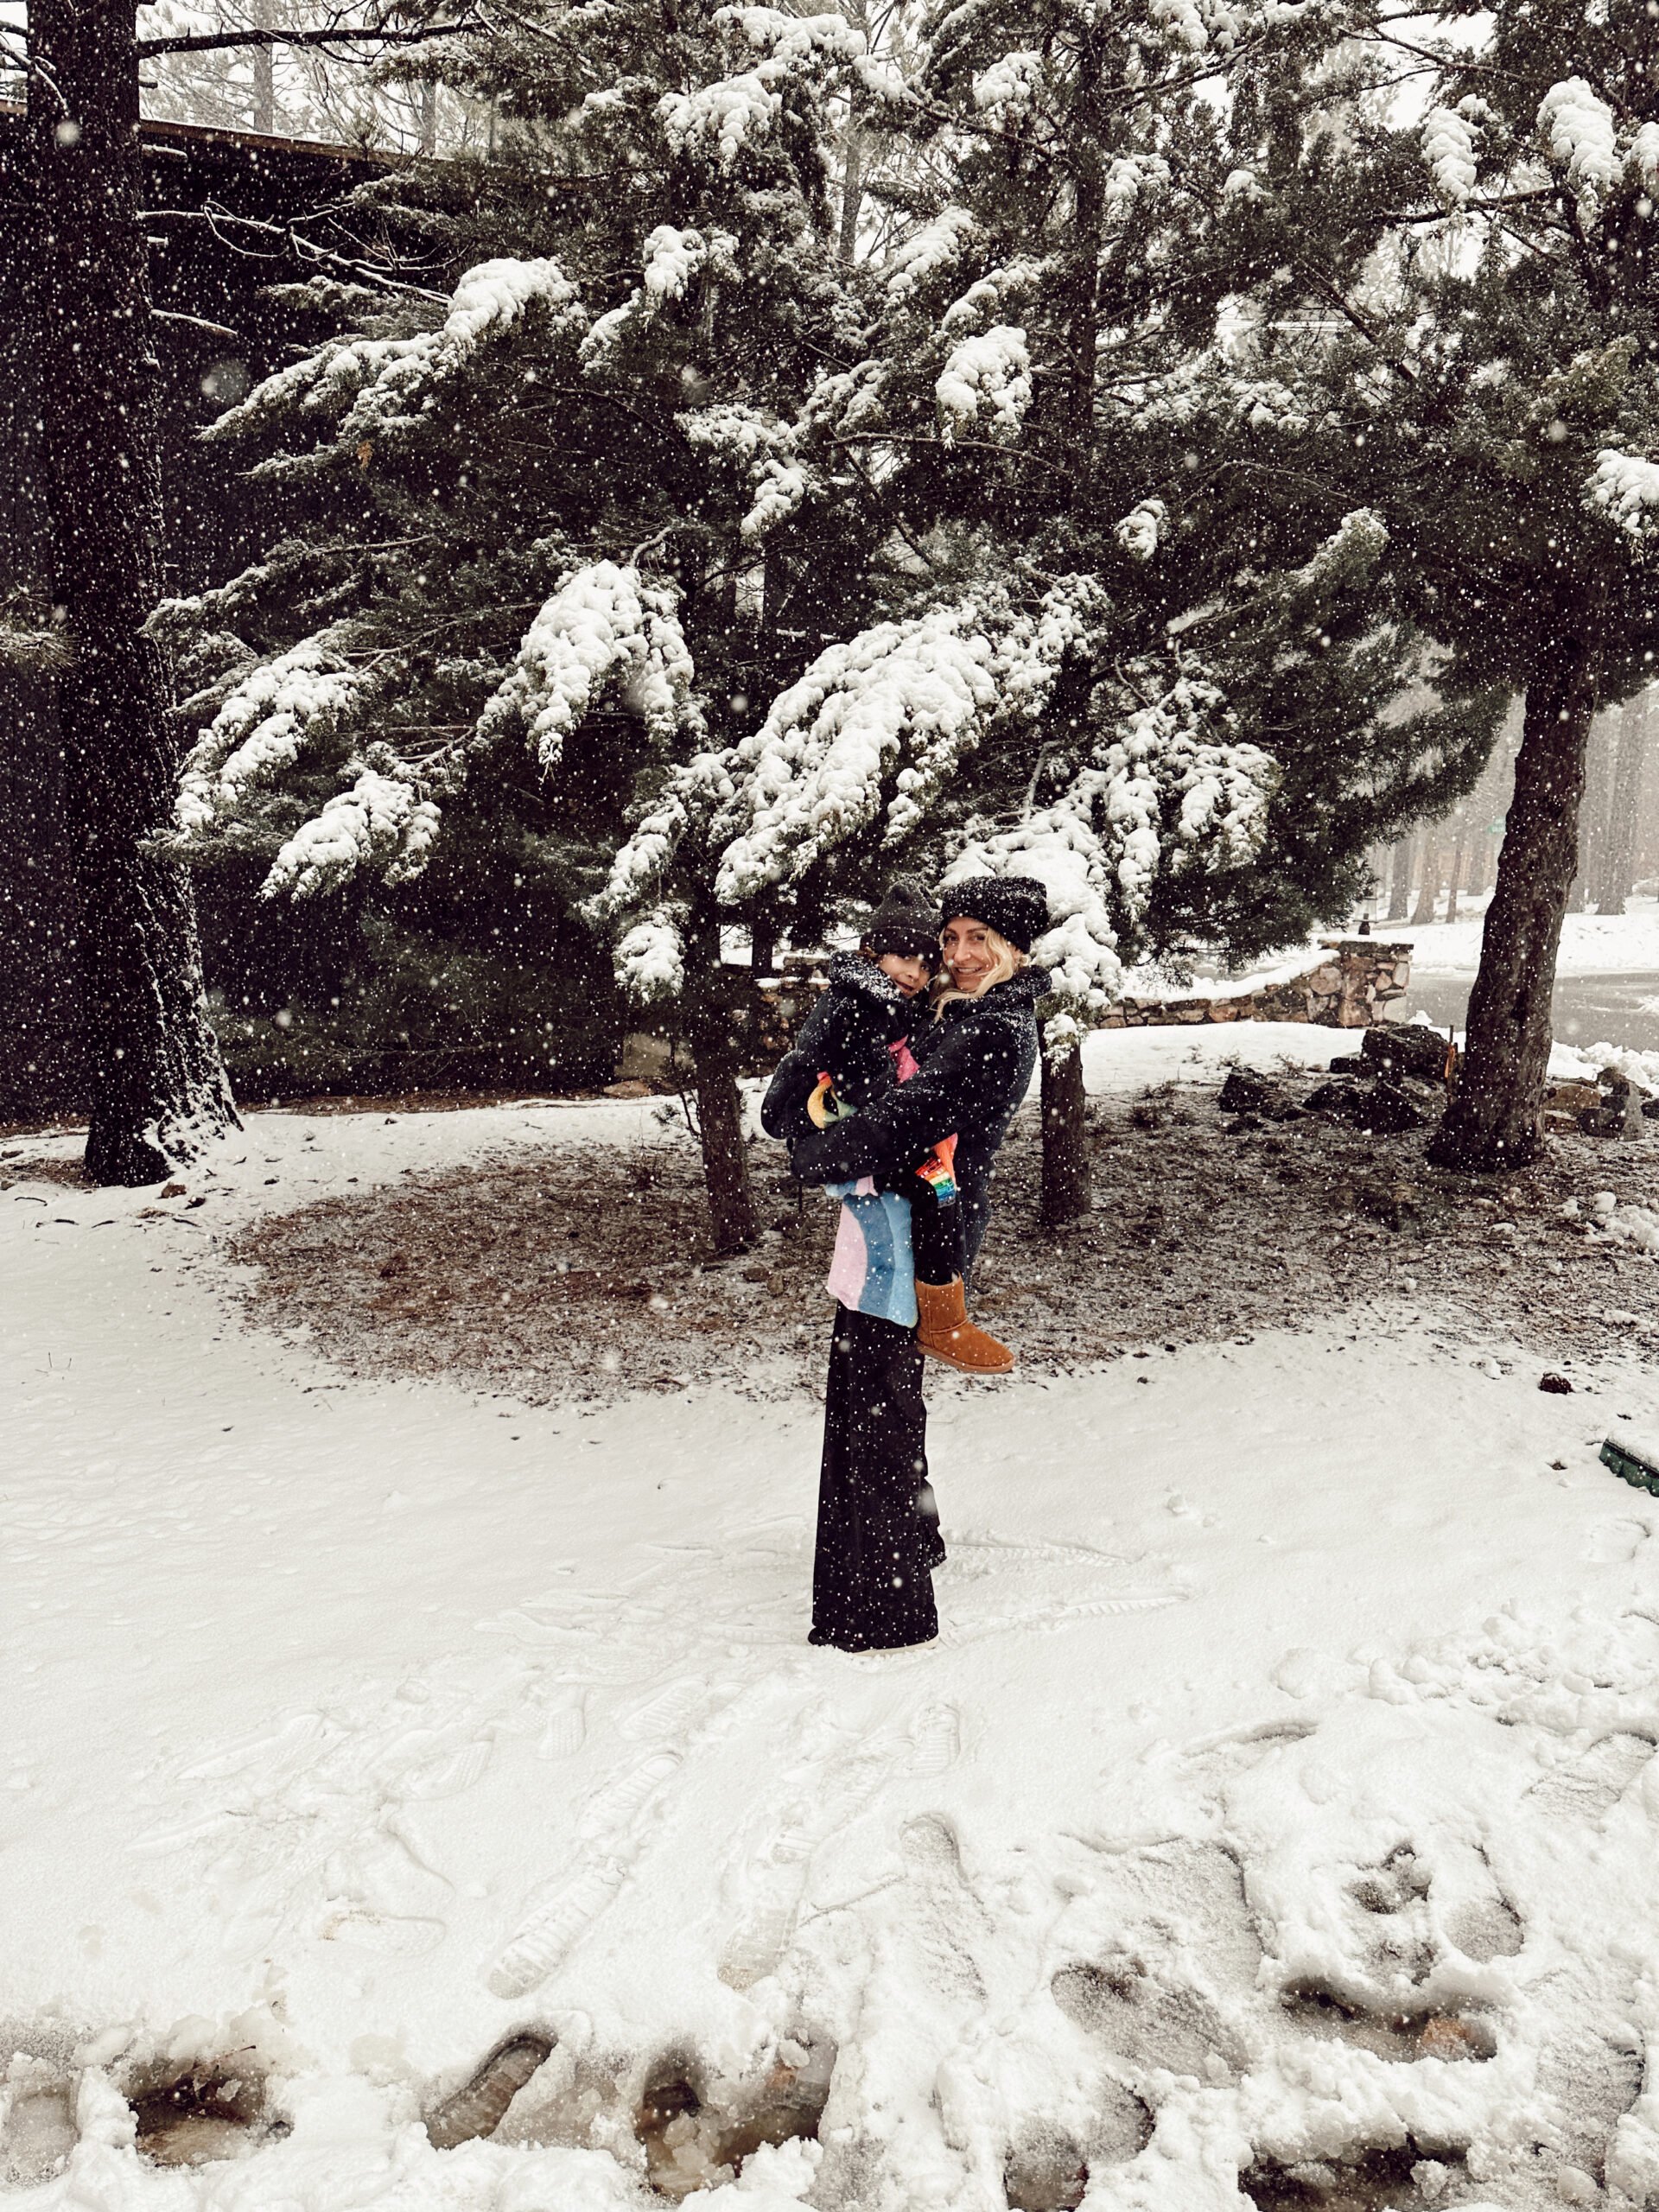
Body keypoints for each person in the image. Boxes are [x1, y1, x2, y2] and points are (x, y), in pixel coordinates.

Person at [772, 876, 1052, 1653]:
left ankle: (885, 1606)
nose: (959, 956)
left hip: (913, 1238)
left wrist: (811, 1154)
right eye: (952, 939)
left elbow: (908, 1117)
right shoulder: (958, 1012)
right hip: (904, 1224)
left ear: (1012, 950)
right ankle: (907, 1546)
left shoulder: (995, 1028)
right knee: (882, 1398)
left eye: (978, 941)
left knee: (875, 1411)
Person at [762, 882, 1013, 1375]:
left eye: (925, 963)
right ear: (871, 952)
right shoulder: (858, 1003)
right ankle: (944, 1317)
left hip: (866, 1141)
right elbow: (853, 1083)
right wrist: (878, 1104)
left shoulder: (883, 1000)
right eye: (903, 956)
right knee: (937, 1197)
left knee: (936, 1199)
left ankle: (943, 1313)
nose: (915, 973)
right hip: (858, 1139)